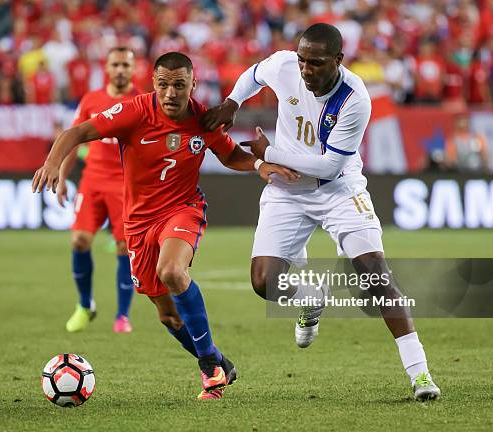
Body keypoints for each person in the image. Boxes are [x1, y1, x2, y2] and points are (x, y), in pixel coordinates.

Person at [33, 52, 298, 399]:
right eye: (163, 85)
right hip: (139, 222)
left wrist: (261, 165)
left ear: (193, 84)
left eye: (179, 85)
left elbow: (230, 154)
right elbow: (78, 131)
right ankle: (218, 360)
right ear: (153, 84)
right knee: (169, 317)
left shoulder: (204, 119)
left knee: (172, 271)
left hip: (183, 209)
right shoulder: (135, 112)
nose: (171, 93)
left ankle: (208, 369)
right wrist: (53, 162)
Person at [201, 23, 441, 401]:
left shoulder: (355, 98)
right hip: (287, 192)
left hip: (338, 191)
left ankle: (420, 375)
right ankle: (310, 298)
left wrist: (270, 153)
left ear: (338, 61)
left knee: (376, 277)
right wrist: (232, 102)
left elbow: (329, 166)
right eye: (302, 61)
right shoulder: (284, 66)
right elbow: (253, 75)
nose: (306, 71)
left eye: (315, 63)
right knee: (264, 281)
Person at [57, 47, 139, 334]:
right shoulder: (91, 100)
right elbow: (74, 138)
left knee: (124, 247)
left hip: (126, 184)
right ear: (106, 67)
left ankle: (122, 315)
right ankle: (84, 305)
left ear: (133, 69)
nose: (120, 70)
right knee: (79, 240)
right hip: (93, 180)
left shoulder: (142, 101)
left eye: (125, 65)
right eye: (115, 64)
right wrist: (63, 177)